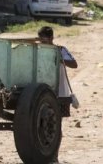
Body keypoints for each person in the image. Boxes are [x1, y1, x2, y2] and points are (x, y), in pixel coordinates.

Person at [38, 26, 78, 163]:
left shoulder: (61, 50)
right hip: (42, 93)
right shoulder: (37, 51)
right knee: (40, 125)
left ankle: (54, 156)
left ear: (51, 39)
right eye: (41, 41)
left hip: (60, 93)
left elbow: (74, 64)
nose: (43, 43)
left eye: (45, 40)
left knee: (55, 126)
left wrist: (60, 59)